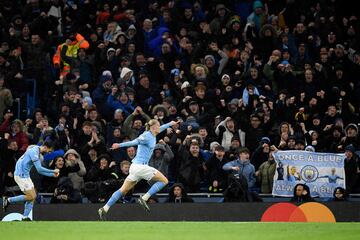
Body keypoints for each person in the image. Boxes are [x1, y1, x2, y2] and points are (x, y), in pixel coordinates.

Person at [98, 119, 178, 220]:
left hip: (135, 168)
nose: (160, 127)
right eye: (158, 125)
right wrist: (119, 145)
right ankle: (144, 198)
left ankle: (104, 208)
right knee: (164, 180)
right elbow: (134, 141)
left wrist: (171, 123)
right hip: (141, 167)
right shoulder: (146, 136)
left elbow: (162, 128)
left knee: (123, 190)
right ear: (153, 127)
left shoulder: (153, 133)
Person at [2, 140, 59, 221]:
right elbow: (39, 169)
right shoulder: (34, 152)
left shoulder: (36, 150)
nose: (49, 153)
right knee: (31, 196)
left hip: (25, 175)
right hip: (20, 175)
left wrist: (52, 175)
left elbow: (40, 171)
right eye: (49, 151)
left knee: (33, 196)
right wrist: (53, 171)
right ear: (46, 147)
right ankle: (8, 200)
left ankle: (25, 217)